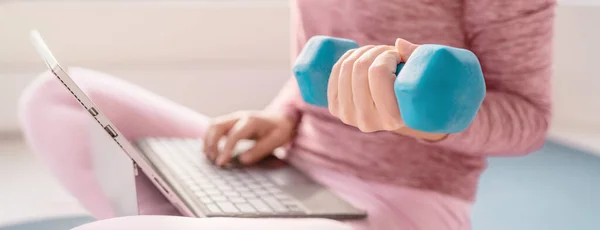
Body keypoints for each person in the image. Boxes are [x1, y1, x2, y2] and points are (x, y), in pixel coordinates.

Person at [18, 0, 556, 229]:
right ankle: (223, 212)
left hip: (395, 204)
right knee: (57, 97)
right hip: (290, 169)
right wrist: (282, 115)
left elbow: (528, 119)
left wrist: (427, 123)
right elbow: (320, 65)